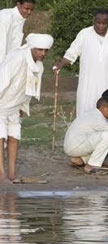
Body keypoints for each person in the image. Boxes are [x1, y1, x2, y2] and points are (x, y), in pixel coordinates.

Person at [53, 8, 108, 123]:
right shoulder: (84, 34)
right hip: (89, 84)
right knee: (87, 111)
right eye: (98, 22)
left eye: (104, 23)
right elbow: (72, 52)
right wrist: (60, 64)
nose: (101, 26)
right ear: (94, 21)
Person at [0, 33, 53, 182]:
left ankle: (11, 173)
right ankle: (1, 173)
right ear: (32, 47)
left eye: (45, 51)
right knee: (0, 137)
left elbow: (31, 89)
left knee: (14, 137)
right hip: (1, 104)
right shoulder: (17, 57)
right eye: (40, 50)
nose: (43, 54)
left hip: (15, 106)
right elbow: (2, 79)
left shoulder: (39, 66)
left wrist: (23, 106)